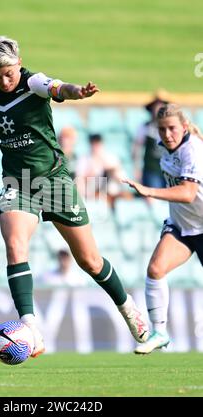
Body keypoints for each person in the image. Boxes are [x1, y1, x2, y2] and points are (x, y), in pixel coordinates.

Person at [0, 35, 149, 358]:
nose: (3, 80)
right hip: (18, 181)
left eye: (9, 72)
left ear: (19, 63)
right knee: (15, 245)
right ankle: (30, 328)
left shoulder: (33, 82)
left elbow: (59, 88)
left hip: (54, 180)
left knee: (89, 261)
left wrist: (77, 92)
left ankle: (129, 309)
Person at [123, 103, 203, 354]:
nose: (167, 134)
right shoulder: (164, 148)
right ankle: (160, 332)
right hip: (183, 226)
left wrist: (150, 191)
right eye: (162, 130)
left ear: (185, 127)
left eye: (172, 129)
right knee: (156, 269)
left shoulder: (193, 150)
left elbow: (189, 193)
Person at [132, 90, 170, 195]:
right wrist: (137, 168)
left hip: (168, 170)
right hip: (151, 169)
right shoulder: (145, 127)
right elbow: (137, 148)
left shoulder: (170, 129)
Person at [76, 133, 129, 208]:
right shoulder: (84, 160)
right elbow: (80, 181)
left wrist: (112, 170)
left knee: (126, 197)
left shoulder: (111, 158)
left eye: (98, 143)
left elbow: (122, 180)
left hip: (113, 194)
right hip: (94, 195)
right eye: (93, 143)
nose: (96, 146)